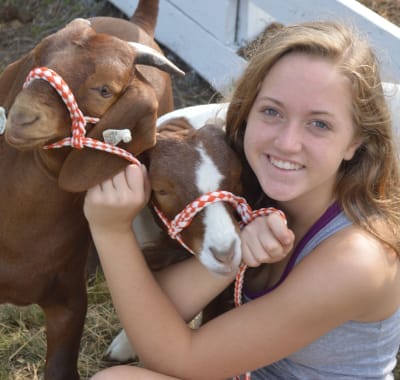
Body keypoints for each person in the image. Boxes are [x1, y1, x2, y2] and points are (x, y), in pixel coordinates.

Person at [84, 20, 400, 379]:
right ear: (247, 112)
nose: (286, 142)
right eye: (272, 111)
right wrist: (236, 252)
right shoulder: (254, 190)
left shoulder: (355, 259)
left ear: (354, 142)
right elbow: (159, 307)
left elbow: (177, 359)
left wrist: (111, 231)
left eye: (319, 124)